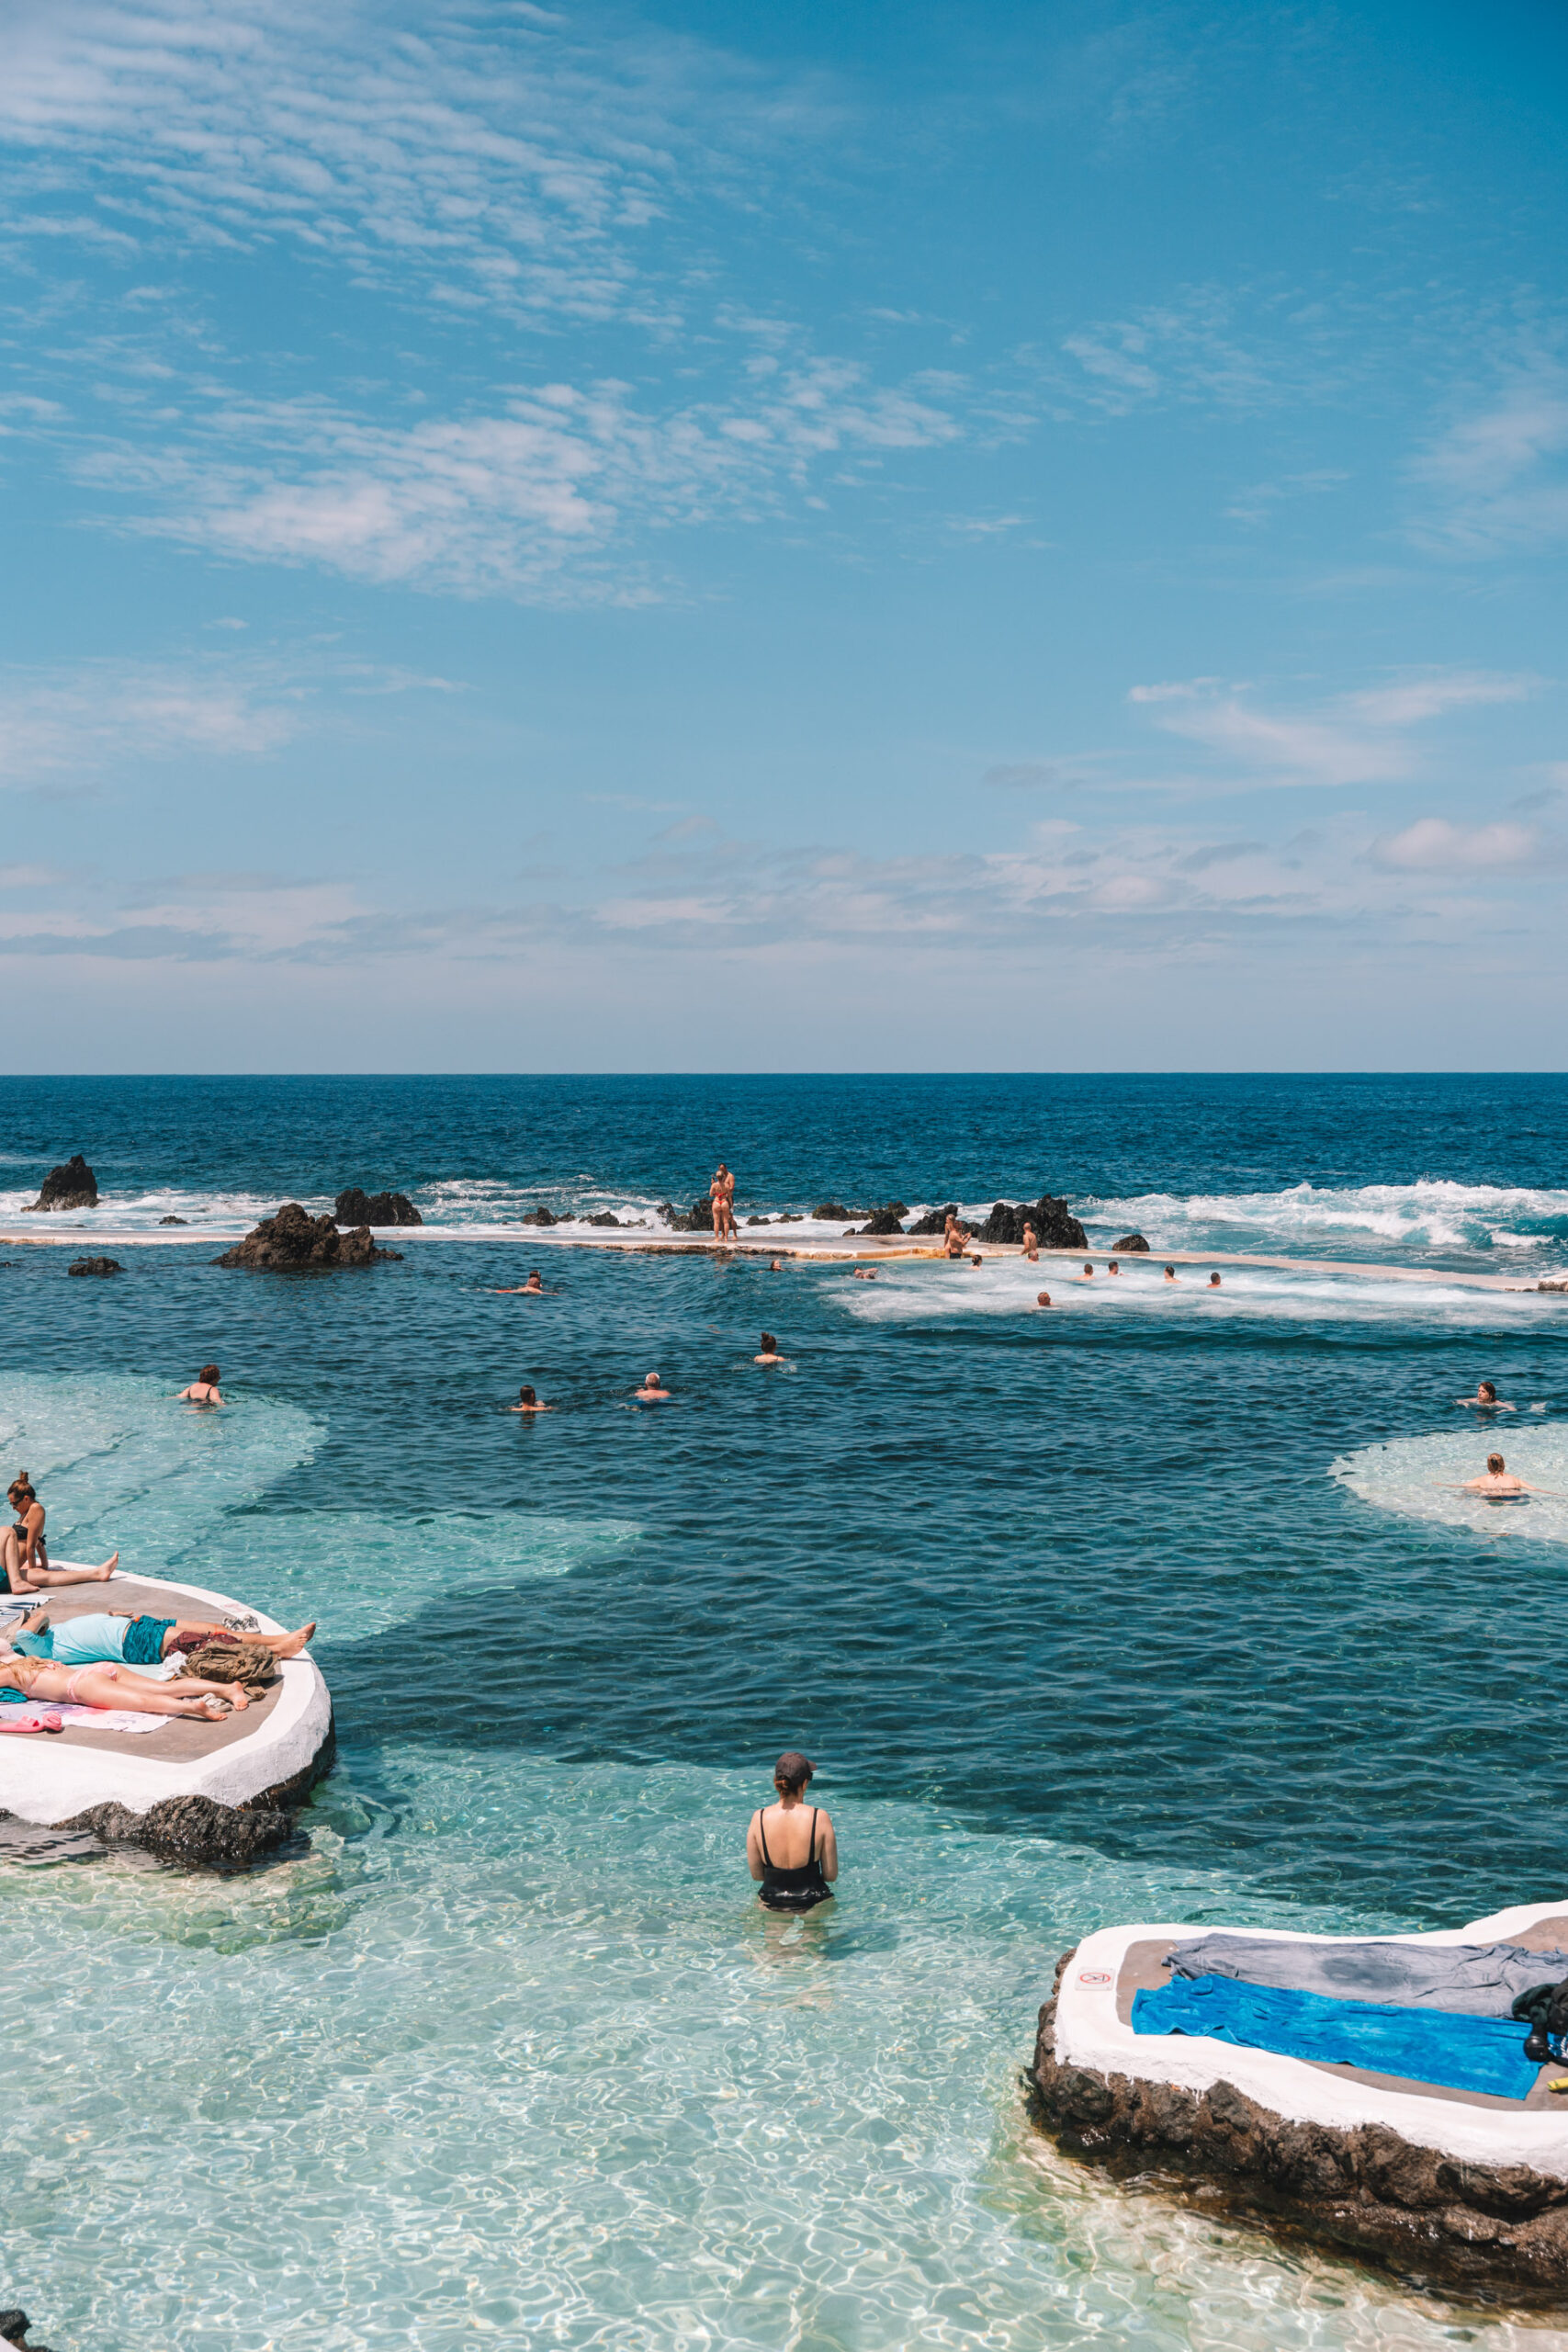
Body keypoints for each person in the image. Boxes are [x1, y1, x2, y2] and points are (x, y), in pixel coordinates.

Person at [6, 1607, 315, 1668]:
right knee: (210, 1641)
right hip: (132, 1642)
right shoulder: (35, 1646)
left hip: (137, 1625)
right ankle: (279, 1651)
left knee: (214, 1629)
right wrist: (36, 1619)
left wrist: (112, 1617)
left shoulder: (48, 1639)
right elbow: (35, 1619)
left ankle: (279, 1638)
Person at [0, 1651, 250, 1720]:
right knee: (165, 1688)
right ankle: (227, 1689)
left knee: (143, 1703)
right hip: (99, 1669)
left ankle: (194, 1708)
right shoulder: (26, 1662)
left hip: (81, 1686)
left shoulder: (8, 1674)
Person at [747, 1751, 837, 1912]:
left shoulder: (758, 1817)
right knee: (812, 1936)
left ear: (777, 1782)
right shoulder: (819, 1817)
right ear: (804, 1784)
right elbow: (831, 1875)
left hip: (771, 1899)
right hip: (813, 1899)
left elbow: (757, 1875)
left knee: (772, 1936)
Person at [3, 1477, 119, 1594]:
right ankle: (98, 1573)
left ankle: (99, 1573)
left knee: (46, 1576)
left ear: (26, 1499)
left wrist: (34, 1570)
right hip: (7, 1568)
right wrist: (41, 1567)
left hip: (6, 1569)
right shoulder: (26, 1513)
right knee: (46, 1576)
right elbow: (37, 1541)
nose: (13, 1508)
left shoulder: (35, 1508)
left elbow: (32, 1545)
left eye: (14, 1504)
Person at [1457, 1453, 1558, 1498]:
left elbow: (1461, 1486)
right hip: (1513, 1497)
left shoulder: (1481, 1480)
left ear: (1488, 1466)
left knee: (1469, 1491)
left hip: (1489, 1497)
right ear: (1503, 1465)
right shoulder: (1514, 1479)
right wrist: (1557, 1494)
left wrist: (1442, 1484)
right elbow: (1535, 1489)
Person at [711, 1163, 737, 1242]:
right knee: (721, 1218)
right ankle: (723, 1234)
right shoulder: (720, 1176)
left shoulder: (730, 1176)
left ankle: (735, 1234)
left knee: (730, 1217)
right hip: (721, 1198)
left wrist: (724, 1190)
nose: (722, 1170)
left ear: (726, 1168)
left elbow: (732, 1187)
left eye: (723, 1169)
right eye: (720, 1169)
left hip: (728, 1197)